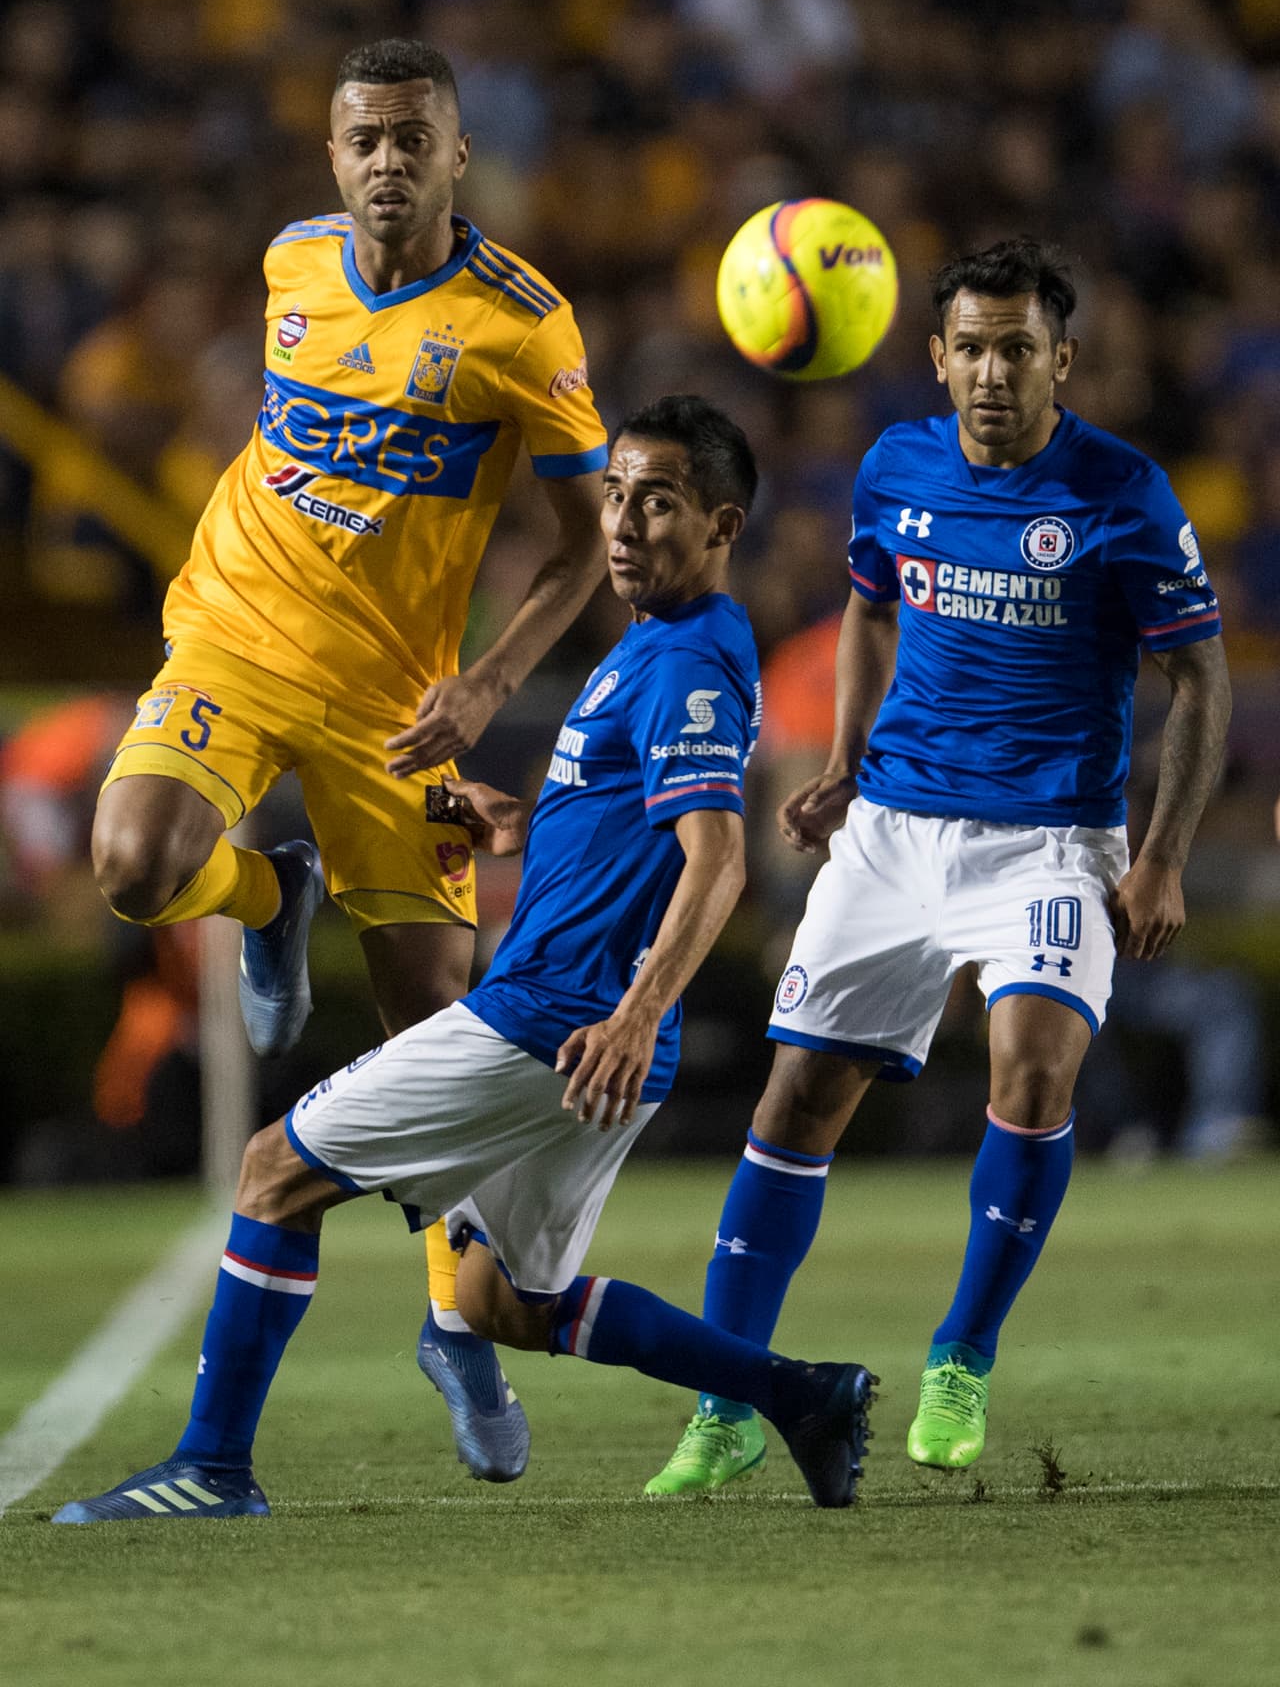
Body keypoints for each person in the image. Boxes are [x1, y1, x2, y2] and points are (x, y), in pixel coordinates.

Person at [53, 397, 878, 1523]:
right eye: (617, 496)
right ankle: (801, 1396)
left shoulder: (687, 660)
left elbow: (717, 859)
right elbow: (629, 833)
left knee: (270, 1174)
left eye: (661, 502)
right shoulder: (652, 647)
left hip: (556, 1025)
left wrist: (632, 1013)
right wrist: (519, 826)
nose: (625, 523)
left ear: (723, 526)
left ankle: (213, 1468)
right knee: (499, 1300)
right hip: (594, 1037)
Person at [88, 37, 610, 1481]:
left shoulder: (524, 326)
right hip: (236, 641)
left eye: (413, 138)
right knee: (132, 867)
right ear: (333, 157)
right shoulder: (291, 269)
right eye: (364, 138)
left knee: (426, 1043)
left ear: (459, 156)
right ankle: (272, 897)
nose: (387, 161)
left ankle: (453, 1319)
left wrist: (488, 682)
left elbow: (583, 553)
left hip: (399, 707)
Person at [646, 238, 1231, 1495]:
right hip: (895, 828)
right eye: (969, 346)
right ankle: (728, 1395)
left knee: (1030, 1073)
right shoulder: (892, 466)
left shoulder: (1123, 493)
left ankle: (961, 1351)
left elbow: (1200, 679)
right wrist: (845, 761)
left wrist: (1163, 857)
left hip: (1051, 841)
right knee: (793, 1106)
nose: (990, 371)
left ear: (1059, 361)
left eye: (1016, 348)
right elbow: (866, 607)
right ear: (935, 355)